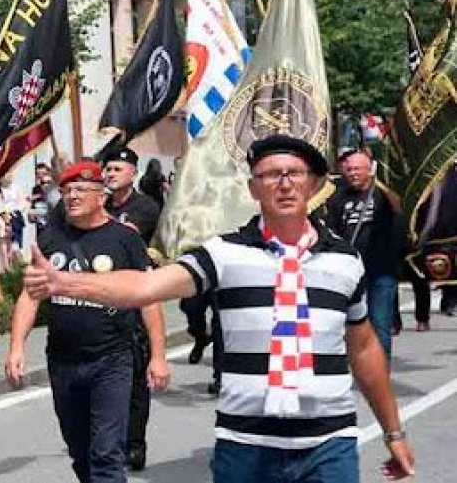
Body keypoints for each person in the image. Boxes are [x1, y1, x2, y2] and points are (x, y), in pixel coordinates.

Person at [22, 135, 415, 483]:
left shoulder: (345, 261)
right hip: (246, 446)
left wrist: (393, 432)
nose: (284, 183)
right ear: (252, 188)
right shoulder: (224, 253)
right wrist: (64, 283)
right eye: (270, 175)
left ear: (313, 185)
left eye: (294, 173)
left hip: (328, 445)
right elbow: (145, 286)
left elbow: (364, 348)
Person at [6, 161, 168, 483]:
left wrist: (159, 356)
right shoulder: (51, 239)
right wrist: (15, 348)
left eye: (81, 189)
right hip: (63, 361)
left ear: (101, 196)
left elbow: (148, 299)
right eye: (66, 190)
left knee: (106, 454)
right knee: (80, 453)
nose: (72, 196)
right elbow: (30, 296)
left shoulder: (125, 239)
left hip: (111, 359)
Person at [100, 147, 164, 471]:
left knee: (136, 376)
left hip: (137, 295)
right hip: (101, 296)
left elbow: (129, 236)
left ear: (133, 173)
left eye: (117, 169)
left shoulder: (145, 207)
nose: (110, 175)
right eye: (108, 169)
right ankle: (110, 441)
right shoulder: (101, 205)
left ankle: (135, 444)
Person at [325, 149, 406, 361]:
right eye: (349, 169)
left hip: (381, 270)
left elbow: (399, 215)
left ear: (369, 170)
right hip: (350, 271)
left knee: (380, 324)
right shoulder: (338, 197)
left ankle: (380, 368)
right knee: (349, 324)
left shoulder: (383, 195)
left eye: (358, 169)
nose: (353, 173)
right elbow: (332, 230)